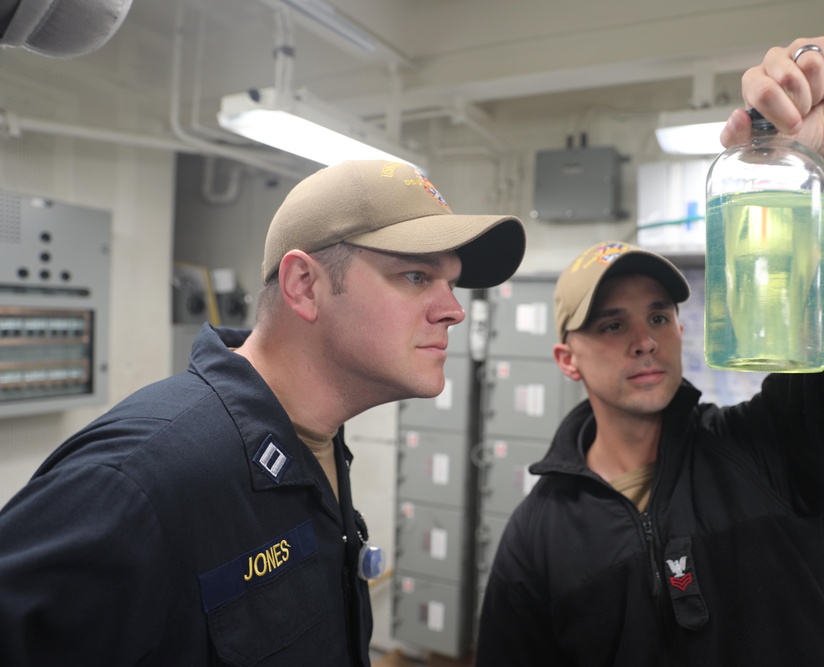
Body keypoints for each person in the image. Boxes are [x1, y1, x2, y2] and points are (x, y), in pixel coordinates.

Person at [475, 35, 824, 666]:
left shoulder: (771, 451)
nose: (646, 339)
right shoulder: (537, 535)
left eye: (659, 314)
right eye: (609, 325)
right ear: (566, 359)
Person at [0, 160, 525, 666]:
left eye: (452, 284)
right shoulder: (138, 480)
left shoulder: (315, 440)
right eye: (416, 277)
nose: (454, 310)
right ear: (304, 285)